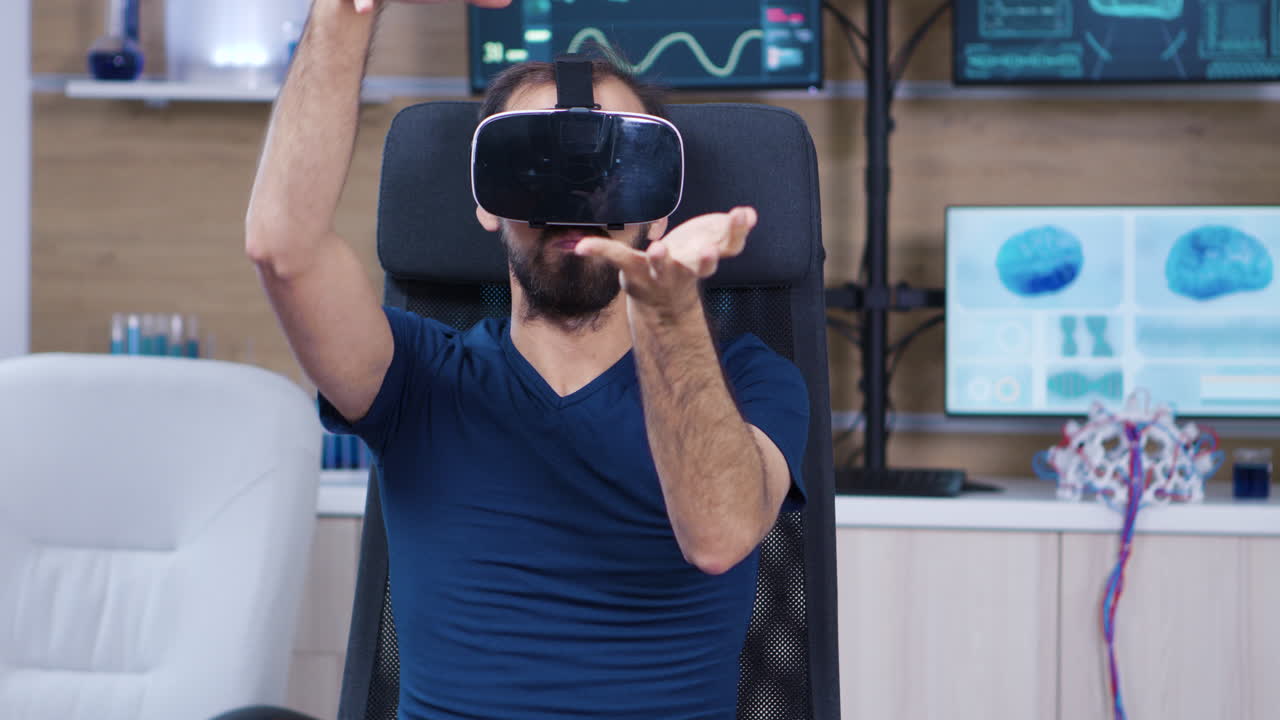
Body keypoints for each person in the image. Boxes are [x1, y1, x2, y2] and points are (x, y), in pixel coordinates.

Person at [244, 1, 810, 718]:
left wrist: (668, 316)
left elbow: (720, 534)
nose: (574, 199)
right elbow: (282, 251)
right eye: (536, 165)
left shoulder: (747, 379)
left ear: (658, 206)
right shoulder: (416, 381)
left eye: (608, 165)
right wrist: (345, 12)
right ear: (487, 202)